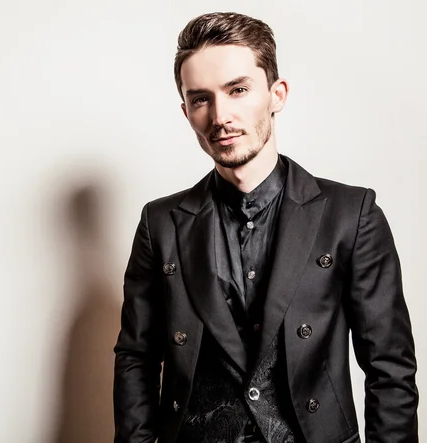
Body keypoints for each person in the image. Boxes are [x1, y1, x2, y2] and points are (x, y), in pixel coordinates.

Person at [112, 11, 418, 443]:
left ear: (277, 94)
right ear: (186, 111)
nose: (220, 116)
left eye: (238, 90)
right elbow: (136, 359)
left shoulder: (352, 214)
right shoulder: (160, 224)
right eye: (201, 99)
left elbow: (390, 369)